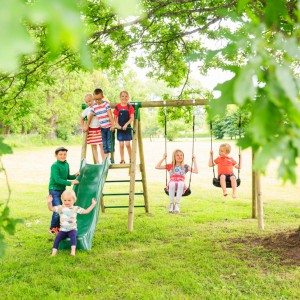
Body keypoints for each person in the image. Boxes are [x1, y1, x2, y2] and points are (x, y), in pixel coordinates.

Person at [47, 190, 96, 256]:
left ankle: (73, 252)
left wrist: (93, 204)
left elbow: (86, 211)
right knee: (57, 238)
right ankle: (53, 253)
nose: (67, 202)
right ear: (62, 200)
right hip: (63, 230)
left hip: (72, 229)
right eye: (65, 200)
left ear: (74, 200)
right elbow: (51, 208)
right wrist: (49, 202)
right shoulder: (60, 208)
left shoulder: (75, 208)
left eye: (69, 200)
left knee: (73, 237)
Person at [48, 147, 80, 234]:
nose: (63, 156)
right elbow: (58, 180)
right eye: (60, 154)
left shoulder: (66, 164)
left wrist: (74, 176)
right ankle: (53, 228)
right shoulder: (54, 166)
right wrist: (71, 183)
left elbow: (67, 176)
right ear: (56, 156)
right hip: (54, 190)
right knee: (58, 209)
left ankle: (59, 227)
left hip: (62, 190)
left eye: (64, 154)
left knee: (63, 209)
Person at [155, 149, 198, 213]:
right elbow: (157, 167)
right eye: (177, 155)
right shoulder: (170, 166)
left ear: (183, 157)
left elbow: (196, 171)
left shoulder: (185, 166)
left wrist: (194, 160)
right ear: (174, 157)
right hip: (172, 184)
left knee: (181, 183)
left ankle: (177, 204)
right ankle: (171, 205)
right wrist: (163, 158)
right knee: (172, 183)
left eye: (181, 155)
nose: (179, 156)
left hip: (181, 185)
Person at [84, 88, 115, 161]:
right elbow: (90, 116)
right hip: (102, 128)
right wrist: (87, 126)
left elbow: (110, 115)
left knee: (110, 143)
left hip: (109, 127)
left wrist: (113, 125)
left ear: (102, 97)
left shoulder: (106, 104)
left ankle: (111, 159)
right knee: (104, 144)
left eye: (99, 99)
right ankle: (106, 159)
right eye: (96, 99)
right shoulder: (94, 106)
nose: (97, 101)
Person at [80, 93, 105, 164]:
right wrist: (84, 127)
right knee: (94, 146)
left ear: (93, 99)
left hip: (99, 129)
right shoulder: (87, 110)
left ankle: (103, 160)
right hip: (91, 130)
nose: (89, 103)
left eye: (90, 101)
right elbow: (81, 119)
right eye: (87, 102)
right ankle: (97, 161)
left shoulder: (98, 107)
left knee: (101, 145)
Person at [113, 91, 135, 164]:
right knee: (121, 145)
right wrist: (117, 125)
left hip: (127, 128)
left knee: (128, 144)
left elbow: (132, 118)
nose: (124, 98)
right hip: (120, 129)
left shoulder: (129, 107)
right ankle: (122, 159)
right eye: (122, 96)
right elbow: (115, 118)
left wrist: (126, 125)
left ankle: (131, 158)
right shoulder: (117, 107)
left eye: (126, 96)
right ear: (120, 97)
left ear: (128, 98)